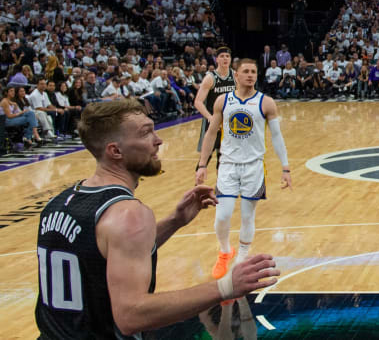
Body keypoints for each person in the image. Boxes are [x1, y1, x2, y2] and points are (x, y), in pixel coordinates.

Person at [35, 99, 280, 338]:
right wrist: (226, 287)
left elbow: (105, 255)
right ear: (115, 151)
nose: (158, 140)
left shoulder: (59, 203)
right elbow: (131, 316)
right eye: (146, 133)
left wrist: (175, 221)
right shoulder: (128, 213)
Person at [196, 58, 292, 281]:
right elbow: (211, 134)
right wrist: (202, 165)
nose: (250, 75)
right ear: (236, 76)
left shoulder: (266, 103)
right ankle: (224, 250)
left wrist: (285, 168)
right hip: (228, 165)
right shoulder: (222, 100)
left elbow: (277, 137)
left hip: (254, 167)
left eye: (253, 72)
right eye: (245, 71)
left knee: (248, 217)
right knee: (223, 216)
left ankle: (242, 257)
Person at [194, 47, 236, 172]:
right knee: (205, 157)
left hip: (229, 122)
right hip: (212, 120)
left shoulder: (235, 76)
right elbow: (198, 102)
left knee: (224, 157)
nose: (225, 59)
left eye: (227, 56)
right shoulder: (210, 78)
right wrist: (210, 118)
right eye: (222, 56)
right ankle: (198, 185)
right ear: (217, 59)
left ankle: (222, 188)